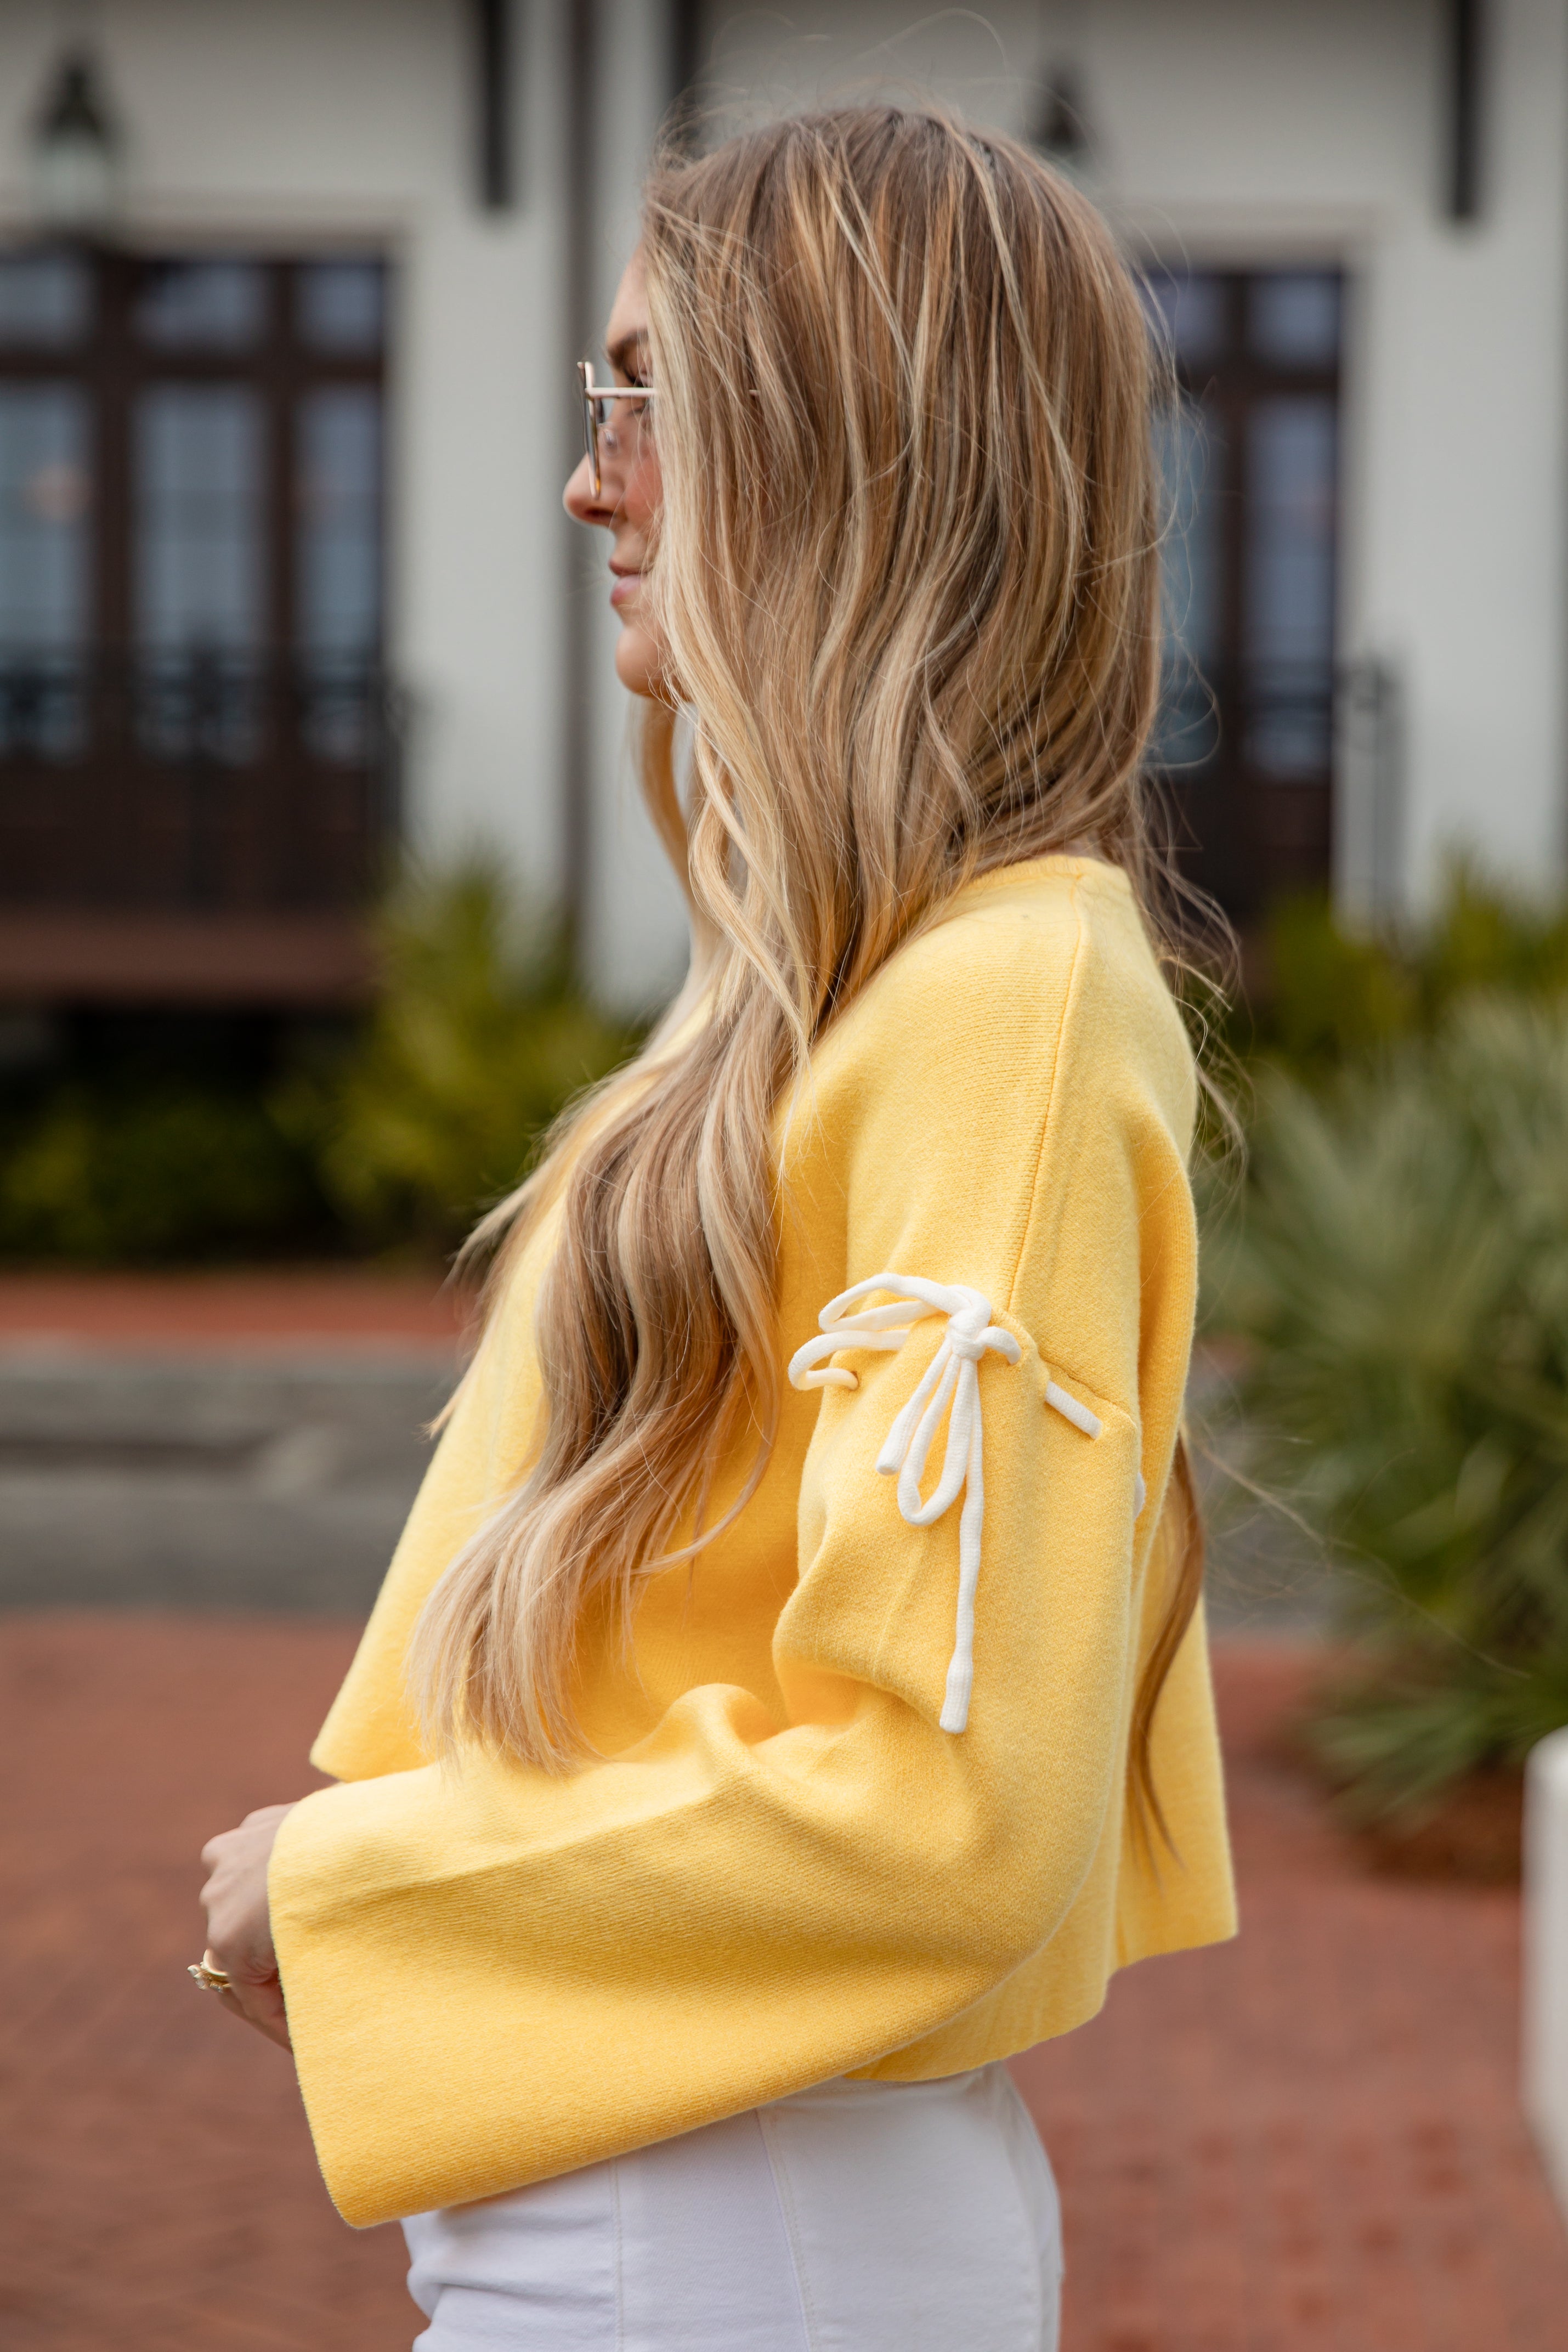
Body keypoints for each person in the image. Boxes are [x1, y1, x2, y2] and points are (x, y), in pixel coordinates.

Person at [195, 105, 1236, 2351]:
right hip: (689, 2199)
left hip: (745, 2222)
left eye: (645, 395)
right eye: (600, 402)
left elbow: (948, 1804)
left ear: (846, 440)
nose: (593, 478)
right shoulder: (851, 990)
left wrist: (344, 1876)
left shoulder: (1003, 998)